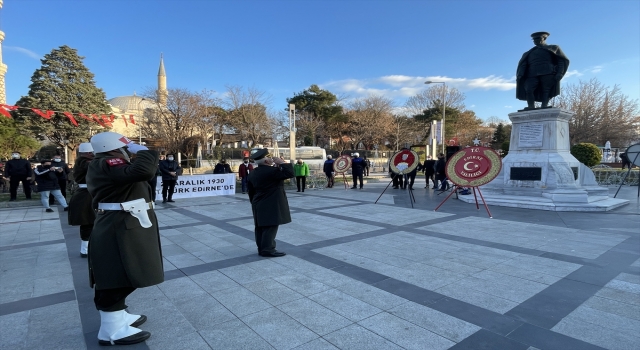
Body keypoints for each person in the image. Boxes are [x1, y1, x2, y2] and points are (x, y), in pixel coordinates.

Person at [86, 131, 162, 346]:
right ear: (113, 148)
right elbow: (144, 171)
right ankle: (112, 329)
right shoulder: (108, 162)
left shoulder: (106, 162)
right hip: (119, 225)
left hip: (126, 221)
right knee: (118, 272)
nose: (128, 150)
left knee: (128, 269)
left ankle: (119, 316)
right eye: (125, 146)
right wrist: (146, 152)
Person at [247, 149, 294, 257]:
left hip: (258, 202)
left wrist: (254, 202)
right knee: (270, 226)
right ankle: (268, 249)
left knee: (260, 226)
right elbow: (290, 173)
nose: (272, 159)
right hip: (271, 202)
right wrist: (282, 163)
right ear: (266, 161)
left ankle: (262, 248)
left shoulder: (253, 173)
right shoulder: (272, 171)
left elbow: (251, 191)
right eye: (269, 158)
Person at [516, 31, 570, 110]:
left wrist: (560, 72)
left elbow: (561, 61)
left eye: (538, 38)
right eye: (534, 39)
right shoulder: (529, 52)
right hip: (531, 73)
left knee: (546, 89)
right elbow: (524, 64)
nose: (536, 40)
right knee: (529, 89)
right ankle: (531, 106)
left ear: (544, 38)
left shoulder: (553, 48)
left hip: (548, 71)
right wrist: (520, 74)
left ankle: (544, 105)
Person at [68, 143, 95, 258]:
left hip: (86, 194)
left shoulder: (82, 161)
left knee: (90, 222)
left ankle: (87, 248)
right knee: (88, 222)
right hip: (86, 195)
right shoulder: (85, 162)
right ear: (89, 153)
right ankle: (85, 249)